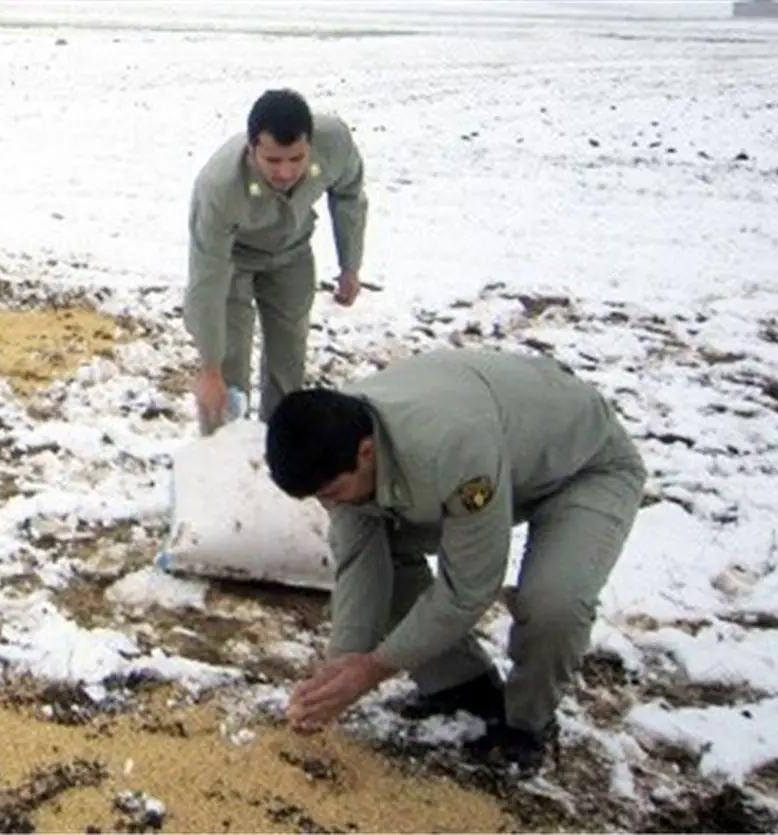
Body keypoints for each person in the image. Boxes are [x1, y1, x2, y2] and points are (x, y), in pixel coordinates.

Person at [263, 347, 648, 774]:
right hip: (505, 452)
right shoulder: (338, 436)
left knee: (553, 603)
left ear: (367, 452)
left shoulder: (448, 449)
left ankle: (526, 727)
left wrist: (374, 669)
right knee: (387, 550)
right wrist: (341, 665)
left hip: (584, 468)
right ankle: (462, 688)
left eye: (330, 493)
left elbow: (471, 587)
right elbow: (361, 560)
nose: (327, 503)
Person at [182, 88, 369, 435]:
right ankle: (222, 451)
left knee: (288, 361)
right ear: (252, 147)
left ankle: (282, 452)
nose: (286, 173)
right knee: (229, 367)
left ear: (310, 144)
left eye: (297, 159)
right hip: (233, 259)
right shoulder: (220, 186)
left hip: (292, 252)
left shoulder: (335, 144)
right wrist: (209, 367)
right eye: (273, 161)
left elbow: (349, 198)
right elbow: (206, 279)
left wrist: (350, 266)